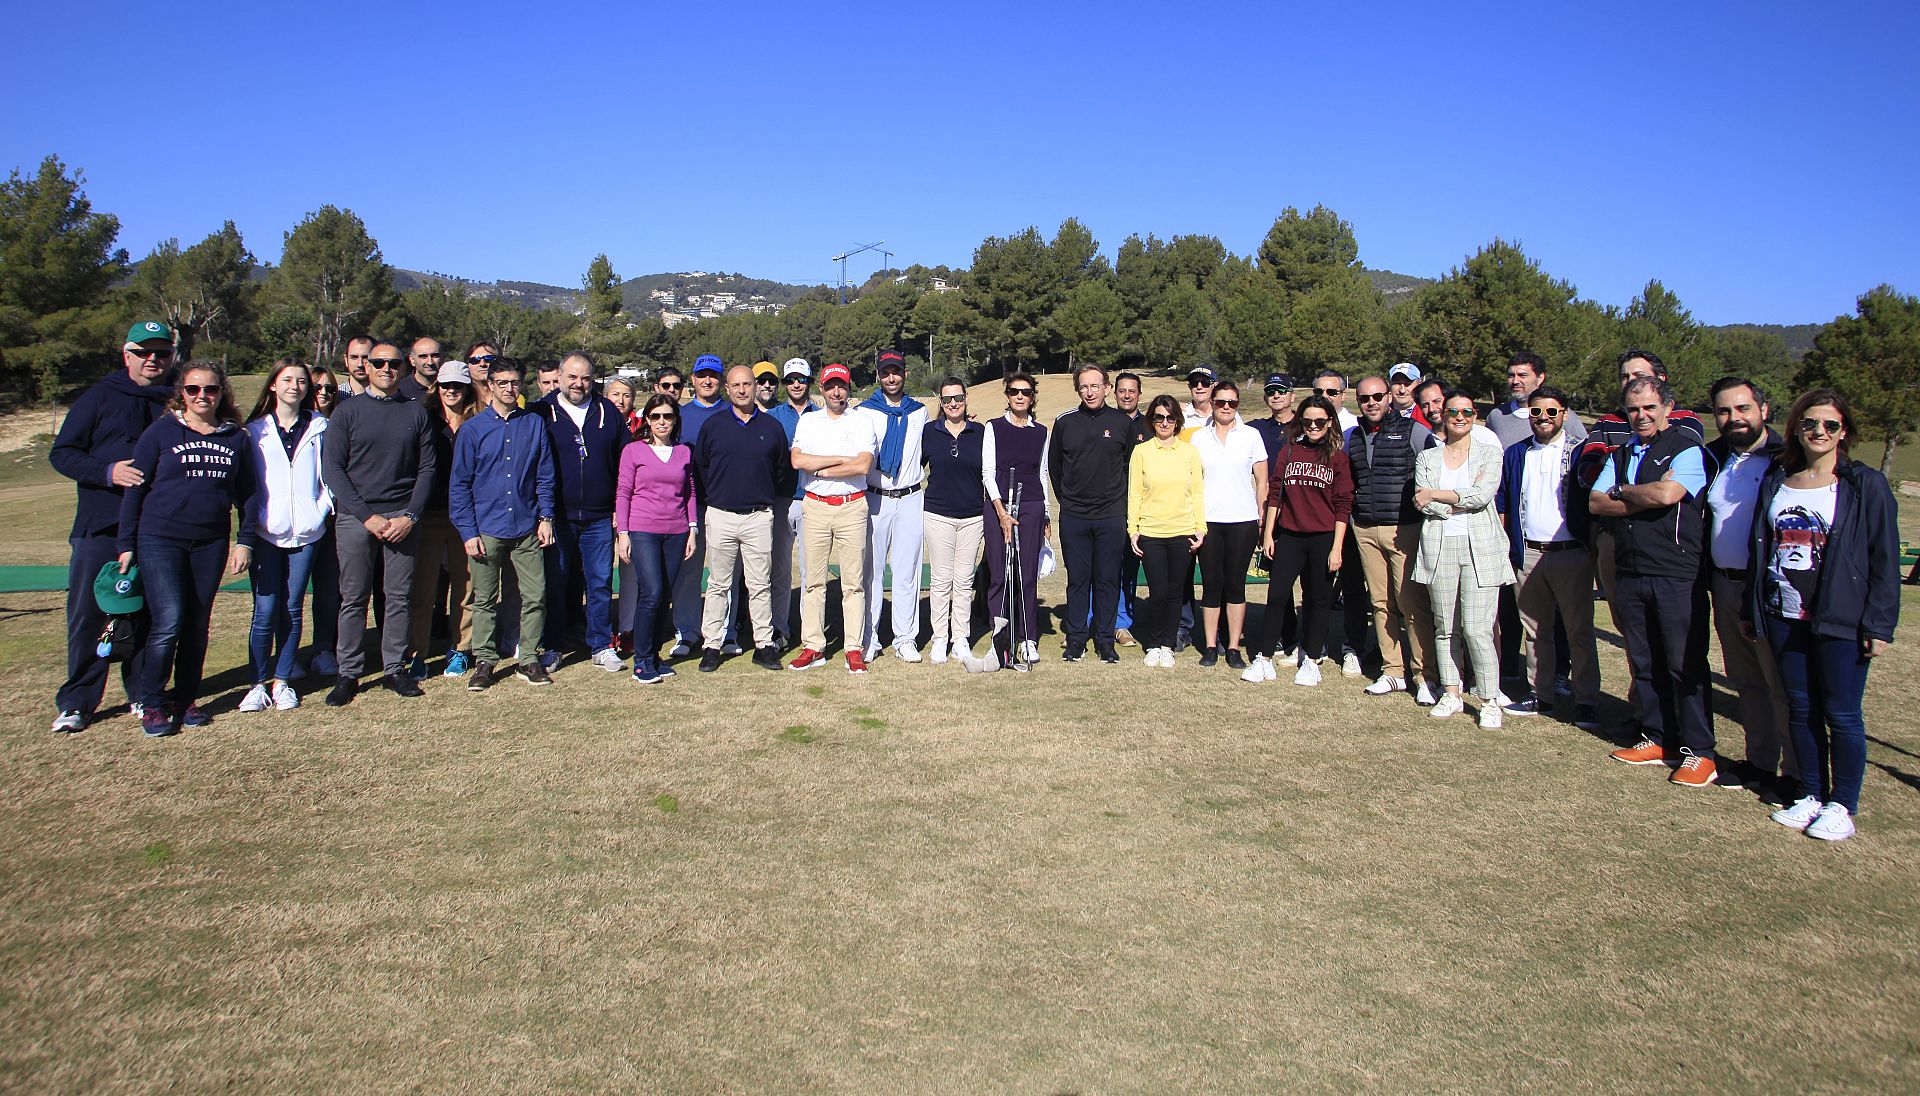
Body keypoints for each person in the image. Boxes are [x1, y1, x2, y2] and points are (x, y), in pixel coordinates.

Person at [1752, 389, 1899, 841]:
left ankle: (1842, 804)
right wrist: (1753, 609)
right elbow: (1762, 546)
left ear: (1845, 432)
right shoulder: (1779, 478)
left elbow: (1883, 558)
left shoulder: (1863, 484)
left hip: (1841, 618)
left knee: (1842, 713)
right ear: (1796, 427)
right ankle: (1812, 793)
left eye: (1830, 425)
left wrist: (1878, 623)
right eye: (1810, 423)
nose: (1819, 432)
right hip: (1784, 613)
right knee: (1801, 707)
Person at [47, 320, 176, 732]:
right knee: (90, 616)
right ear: (127, 354)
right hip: (101, 525)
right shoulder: (100, 396)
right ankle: (78, 702)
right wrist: (107, 472)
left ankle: (142, 693)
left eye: (162, 353)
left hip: (154, 528)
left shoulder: (177, 398)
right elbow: (63, 453)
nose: (153, 360)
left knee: (149, 616)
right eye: (144, 352)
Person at [117, 362, 256, 735]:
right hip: (160, 538)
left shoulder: (235, 437)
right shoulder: (161, 432)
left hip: (209, 542)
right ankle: (151, 701)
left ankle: (185, 698)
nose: (202, 396)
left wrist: (244, 540)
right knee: (169, 621)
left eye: (210, 390)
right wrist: (125, 543)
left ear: (221, 394)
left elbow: (249, 495)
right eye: (193, 389)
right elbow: (136, 489)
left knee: (197, 624)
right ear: (182, 393)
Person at [1591, 377, 1717, 784]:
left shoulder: (1686, 448)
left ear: (1667, 407)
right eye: (1633, 409)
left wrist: (1623, 492)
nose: (1641, 415)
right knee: (1643, 660)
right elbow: (1595, 502)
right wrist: (1636, 495)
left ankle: (1700, 751)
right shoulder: (1622, 451)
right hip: (1631, 569)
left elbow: (1668, 495)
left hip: (1676, 570)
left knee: (1684, 663)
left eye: (1648, 407)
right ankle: (1658, 736)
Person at [319, 340, 438, 707]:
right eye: (379, 363)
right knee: (353, 597)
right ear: (366, 367)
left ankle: (393, 669)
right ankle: (349, 672)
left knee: (398, 597)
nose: (387, 369)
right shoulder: (348, 411)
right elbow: (333, 469)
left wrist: (410, 515)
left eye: (394, 364)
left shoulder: (415, 412)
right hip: (358, 518)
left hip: (403, 516)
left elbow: (427, 468)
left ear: (403, 368)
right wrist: (366, 516)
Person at [1703, 377, 1796, 797]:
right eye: (1724, 411)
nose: (1733, 418)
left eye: (1742, 409)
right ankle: (1760, 762)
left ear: (1764, 409)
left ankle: (1797, 773)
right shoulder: (1714, 457)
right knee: (1747, 681)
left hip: (1768, 589)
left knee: (1782, 684)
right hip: (1725, 585)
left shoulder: (1785, 460)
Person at [1495, 385, 1600, 728]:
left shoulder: (1582, 452)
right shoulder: (1515, 453)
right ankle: (1541, 695)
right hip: (1527, 554)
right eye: (1537, 412)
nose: (1543, 418)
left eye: (1551, 412)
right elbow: (1503, 502)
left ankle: (1586, 701)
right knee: (1535, 632)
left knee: (1578, 632)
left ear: (1564, 415)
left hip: (1571, 554)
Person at [450, 358, 556, 690]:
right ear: (490, 385)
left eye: (515, 383)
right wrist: (468, 532)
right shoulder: (472, 430)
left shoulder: (534, 424)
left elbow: (545, 475)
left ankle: (528, 658)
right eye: (502, 383)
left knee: (535, 595)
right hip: (486, 527)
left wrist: (546, 517)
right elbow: (460, 485)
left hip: (526, 526)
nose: (509, 389)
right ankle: (484, 660)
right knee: (484, 598)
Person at [1412, 391, 1515, 727]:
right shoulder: (1428, 458)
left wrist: (1438, 496)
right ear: (1443, 414)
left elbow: (1483, 496)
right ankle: (1451, 692)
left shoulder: (1489, 453)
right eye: (1453, 411)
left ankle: (1488, 699)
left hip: (1479, 548)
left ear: (1475, 415)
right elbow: (1422, 501)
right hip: (1440, 547)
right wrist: (1451, 501)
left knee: (1477, 629)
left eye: (1466, 411)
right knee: (1445, 627)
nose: (1459, 416)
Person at [238, 359, 331, 714]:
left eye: (302, 381)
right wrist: (257, 522)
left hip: (307, 533)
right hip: (266, 534)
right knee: (264, 611)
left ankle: (282, 682)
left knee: (292, 609)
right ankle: (256, 685)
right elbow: (248, 487)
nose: (295, 386)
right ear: (273, 386)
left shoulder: (321, 427)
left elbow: (329, 478)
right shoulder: (254, 431)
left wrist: (318, 511)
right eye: (287, 379)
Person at [1346, 374, 1439, 704]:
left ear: (1388, 397)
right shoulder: (1353, 436)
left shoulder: (1413, 431)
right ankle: (1394, 670)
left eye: (1377, 396)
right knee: (1381, 603)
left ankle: (1425, 675)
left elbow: (1436, 464)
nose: (1371, 403)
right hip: (1366, 528)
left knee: (1411, 603)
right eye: (1364, 398)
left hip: (1405, 528)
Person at [690, 365, 789, 672]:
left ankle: (763, 645)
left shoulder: (772, 427)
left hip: (758, 516)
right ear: (727, 389)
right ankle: (711, 645)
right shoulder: (714, 425)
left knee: (760, 584)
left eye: (748, 384)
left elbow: (781, 471)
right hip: (721, 514)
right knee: (719, 584)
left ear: (755, 387)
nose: (743, 390)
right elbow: (702, 468)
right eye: (736, 385)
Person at [534, 351, 628, 673]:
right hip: (556, 516)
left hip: (599, 516)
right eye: (572, 377)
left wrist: (619, 507)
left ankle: (600, 645)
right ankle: (553, 645)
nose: (579, 383)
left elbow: (623, 464)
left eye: (585, 377)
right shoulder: (541, 412)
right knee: (556, 582)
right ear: (559, 377)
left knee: (600, 581)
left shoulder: (608, 413)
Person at [1249, 395, 1353, 686]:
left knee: (1317, 601)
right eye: (1307, 421)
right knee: (1277, 596)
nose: (1313, 426)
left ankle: (1311, 660)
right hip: (1290, 536)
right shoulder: (1290, 452)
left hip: (1323, 538)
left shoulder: (1338, 458)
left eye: (1319, 421)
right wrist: (1268, 533)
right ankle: (1265, 658)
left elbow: (1344, 505)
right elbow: (1275, 494)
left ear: (1330, 422)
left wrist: (1336, 547)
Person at [789, 363, 877, 672]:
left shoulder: (862, 421)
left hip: (852, 505)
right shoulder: (810, 421)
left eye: (841, 386)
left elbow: (863, 465)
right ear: (822, 390)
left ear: (848, 388)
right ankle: (813, 645)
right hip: (814, 506)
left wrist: (823, 469)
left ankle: (854, 647)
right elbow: (798, 460)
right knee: (813, 581)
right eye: (830, 386)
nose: (836, 391)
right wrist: (841, 459)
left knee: (853, 583)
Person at [1050, 364, 1131, 663]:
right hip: (1075, 516)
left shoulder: (1122, 422)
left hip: (1111, 516)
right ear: (1078, 390)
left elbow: (1128, 467)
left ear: (1107, 388)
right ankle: (1076, 640)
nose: (1090, 391)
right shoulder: (1065, 423)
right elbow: (1055, 468)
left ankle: (1106, 640)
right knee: (1078, 580)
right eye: (1084, 387)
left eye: (1095, 386)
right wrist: (1069, 501)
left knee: (1108, 579)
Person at [615, 395, 698, 685]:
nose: (662, 422)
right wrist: (623, 533)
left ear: (675, 420)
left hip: (676, 531)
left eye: (668, 416)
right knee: (651, 592)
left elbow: (689, 493)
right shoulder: (633, 451)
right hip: (643, 530)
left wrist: (692, 530)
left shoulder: (684, 453)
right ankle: (641, 659)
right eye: (656, 417)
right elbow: (623, 493)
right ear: (647, 420)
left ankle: (654, 657)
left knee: (665, 596)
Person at [404, 360, 477, 679]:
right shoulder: (423, 418)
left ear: (467, 388)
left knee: (466, 588)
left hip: (468, 517)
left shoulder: (478, 421)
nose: (451, 391)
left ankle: (461, 650)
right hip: (430, 514)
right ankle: (418, 653)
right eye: (446, 385)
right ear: (437, 387)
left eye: (458, 386)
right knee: (423, 590)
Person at [1189, 381, 1266, 668]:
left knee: (1236, 586)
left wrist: (1261, 515)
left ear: (1237, 404)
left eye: (1232, 402)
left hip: (1242, 521)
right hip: (1208, 521)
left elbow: (1263, 480)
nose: (1226, 407)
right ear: (1212, 403)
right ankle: (1210, 645)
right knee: (1211, 585)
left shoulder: (1251, 436)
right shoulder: (1198, 438)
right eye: (1220, 401)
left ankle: (1233, 647)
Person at [859, 350, 929, 661]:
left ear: (905, 374)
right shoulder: (864, 412)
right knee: (871, 571)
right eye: (886, 372)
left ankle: (904, 638)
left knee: (907, 570)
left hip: (911, 498)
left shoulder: (920, 412)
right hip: (876, 496)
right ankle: (870, 637)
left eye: (896, 371)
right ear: (878, 374)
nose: (891, 377)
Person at [1129, 395, 1207, 666]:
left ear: (1177, 421)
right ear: (1152, 420)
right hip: (1151, 532)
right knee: (1158, 591)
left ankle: (1167, 644)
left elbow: (1197, 492)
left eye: (1170, 417)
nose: (1164, 422)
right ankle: (1153, 643)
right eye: (1159, 417)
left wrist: (1200, 528)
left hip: (1182, 531)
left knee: (1176, 593)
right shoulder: (1142, 452)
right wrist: (1133, 529)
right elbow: (1135, 493)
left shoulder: (1189, 452)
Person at [918, 376, 988, 665]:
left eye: (957, 398)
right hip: (937, 515)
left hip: (973, 516)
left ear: (966, 398)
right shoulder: (929, 432)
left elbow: (990, 472)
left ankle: (960, 639)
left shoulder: (981, 432)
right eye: (947, 399)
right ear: (941, 402)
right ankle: (939, 639)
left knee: (963, 581)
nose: (953, 404)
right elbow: (915, 469)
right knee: (940, 580)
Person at [985, 373, 1052, 666]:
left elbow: (1043, 472)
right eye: (1014, 392)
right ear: (1008, 395)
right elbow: (987, 472)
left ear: (1033, 396)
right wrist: (1001, 513)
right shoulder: (994, 427)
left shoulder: (1041, 431)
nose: (1020, 396)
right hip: (998, 501)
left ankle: (1027, 639)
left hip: (1032, 502)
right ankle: (1000, 637)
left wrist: (1046, 512)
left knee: (1026, 574)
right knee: (999, 574)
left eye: (1025, 392)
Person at [668, 355, 727, 655]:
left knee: (724, 574)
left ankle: (724, 633)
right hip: (689, 508)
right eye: (702, 375)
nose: (707, 381)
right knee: (689, 573)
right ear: (692, 379)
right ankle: (687, 632)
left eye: (713, 376)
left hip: (725, 507)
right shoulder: (679, 415)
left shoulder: (733, 412)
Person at [767, 357, 818, 649]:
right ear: (784, 384)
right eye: (790, 380)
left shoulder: (822, 416)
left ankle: (811, 635)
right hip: (781, 500)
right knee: (780, 570)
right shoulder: (773, 416)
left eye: (801, 379)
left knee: (811, 572)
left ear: (809, 383)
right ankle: (779, 631)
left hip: (812, 499)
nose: (796, 384)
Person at [304, 363, 343, 675]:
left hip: (335, 521)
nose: (324, 394)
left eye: (329, 388)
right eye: (317, 388)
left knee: (330, 592)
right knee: (287, 597)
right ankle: (286, 657)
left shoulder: (338, 423)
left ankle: (324, 649)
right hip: (298, 523)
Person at [1109, 371, 1146, 645]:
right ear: (1114, 393)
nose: (1126, 395)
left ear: (1139, 394)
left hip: (1141, 509)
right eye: (1122, 390)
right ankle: (1092, 620)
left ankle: (1122, 623)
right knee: (1100, 567)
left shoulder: (1152, 424)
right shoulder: (1105, 421)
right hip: (1108, 505)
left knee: (1128, 569)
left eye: (1131, 391)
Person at [1181, 365, 1216, 434]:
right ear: (1189, 387)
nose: (1199, 387)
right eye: (1194, 383)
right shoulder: (1181, 415)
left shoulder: (1225, 412)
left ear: (1214, 386)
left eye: (1205, 382)